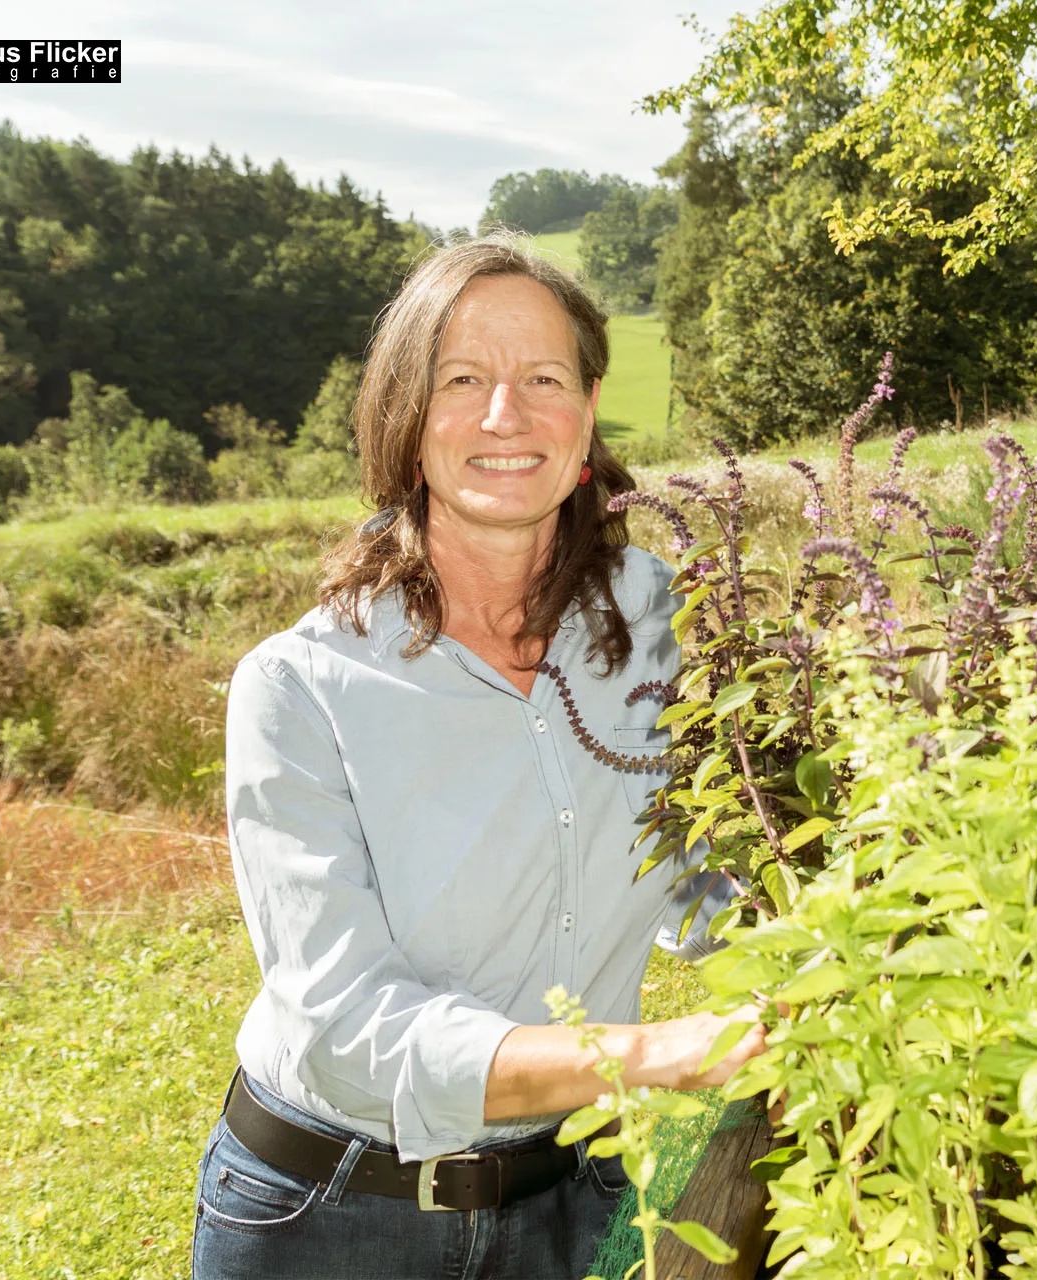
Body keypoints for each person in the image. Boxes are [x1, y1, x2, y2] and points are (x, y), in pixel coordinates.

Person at [190, 233, 768, 1279]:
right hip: (336, 1214)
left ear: (588, 412)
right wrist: (657, 1053)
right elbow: (347, 1025)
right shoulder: (299, 686)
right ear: (408, 423)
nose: (508, 415)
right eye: (464, 379)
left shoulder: (668, 619)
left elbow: (700, 862)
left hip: (576, 1192)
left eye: (545, 378)